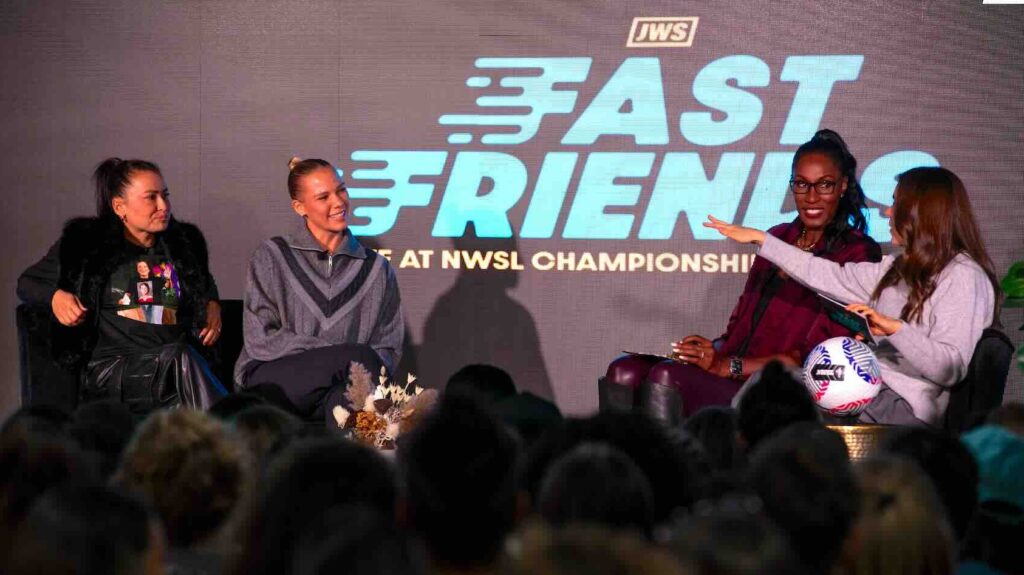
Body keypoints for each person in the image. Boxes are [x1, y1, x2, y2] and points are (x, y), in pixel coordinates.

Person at [606, 129, 882, 417]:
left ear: (842, 186)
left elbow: (812, 358)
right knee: (625, 370)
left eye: (824, 185)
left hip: (776, 386)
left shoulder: (858, 253)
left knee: (665, 377)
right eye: (801, 184)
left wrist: (728, 366)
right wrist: (704, 352)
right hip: (733, 369)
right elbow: (738, 329)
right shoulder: (778, 236)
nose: (811, 197)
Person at [705, 166, 999, 426]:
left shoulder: (963, 276)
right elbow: (826, 274)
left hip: (901, 406)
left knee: (781, 411)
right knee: (770, 383)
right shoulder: (896, 269)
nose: (887, 212)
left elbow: (950, 368)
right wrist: (763, 239)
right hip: (864, 386)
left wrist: (895, 330)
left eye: (895, 203)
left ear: (919, 213)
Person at [17, 158, 225, 415]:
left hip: (170, 369)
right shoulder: (86, 245)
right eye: (151, 198)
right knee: (181, 359)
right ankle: (232, 438)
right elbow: (27, 283)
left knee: (181, 371)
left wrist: (213, 303)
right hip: (113, 370)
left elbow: (204, 282)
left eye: (165, 195)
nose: (164, 206)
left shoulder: (181, 245)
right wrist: (55, 296)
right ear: (119, 207)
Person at [234, 157, 403, 424]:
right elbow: (260, 338)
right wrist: (334, 356)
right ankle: (394, 435)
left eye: (341, 190)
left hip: (349, 383)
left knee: (346, 400)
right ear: (300, 207)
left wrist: (341, 366)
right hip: (275, 381)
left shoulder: (377, 269)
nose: (338, 202)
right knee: (358, 359)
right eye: (324, 197)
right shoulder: (272, 255)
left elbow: (387, 349)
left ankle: (364, 461)